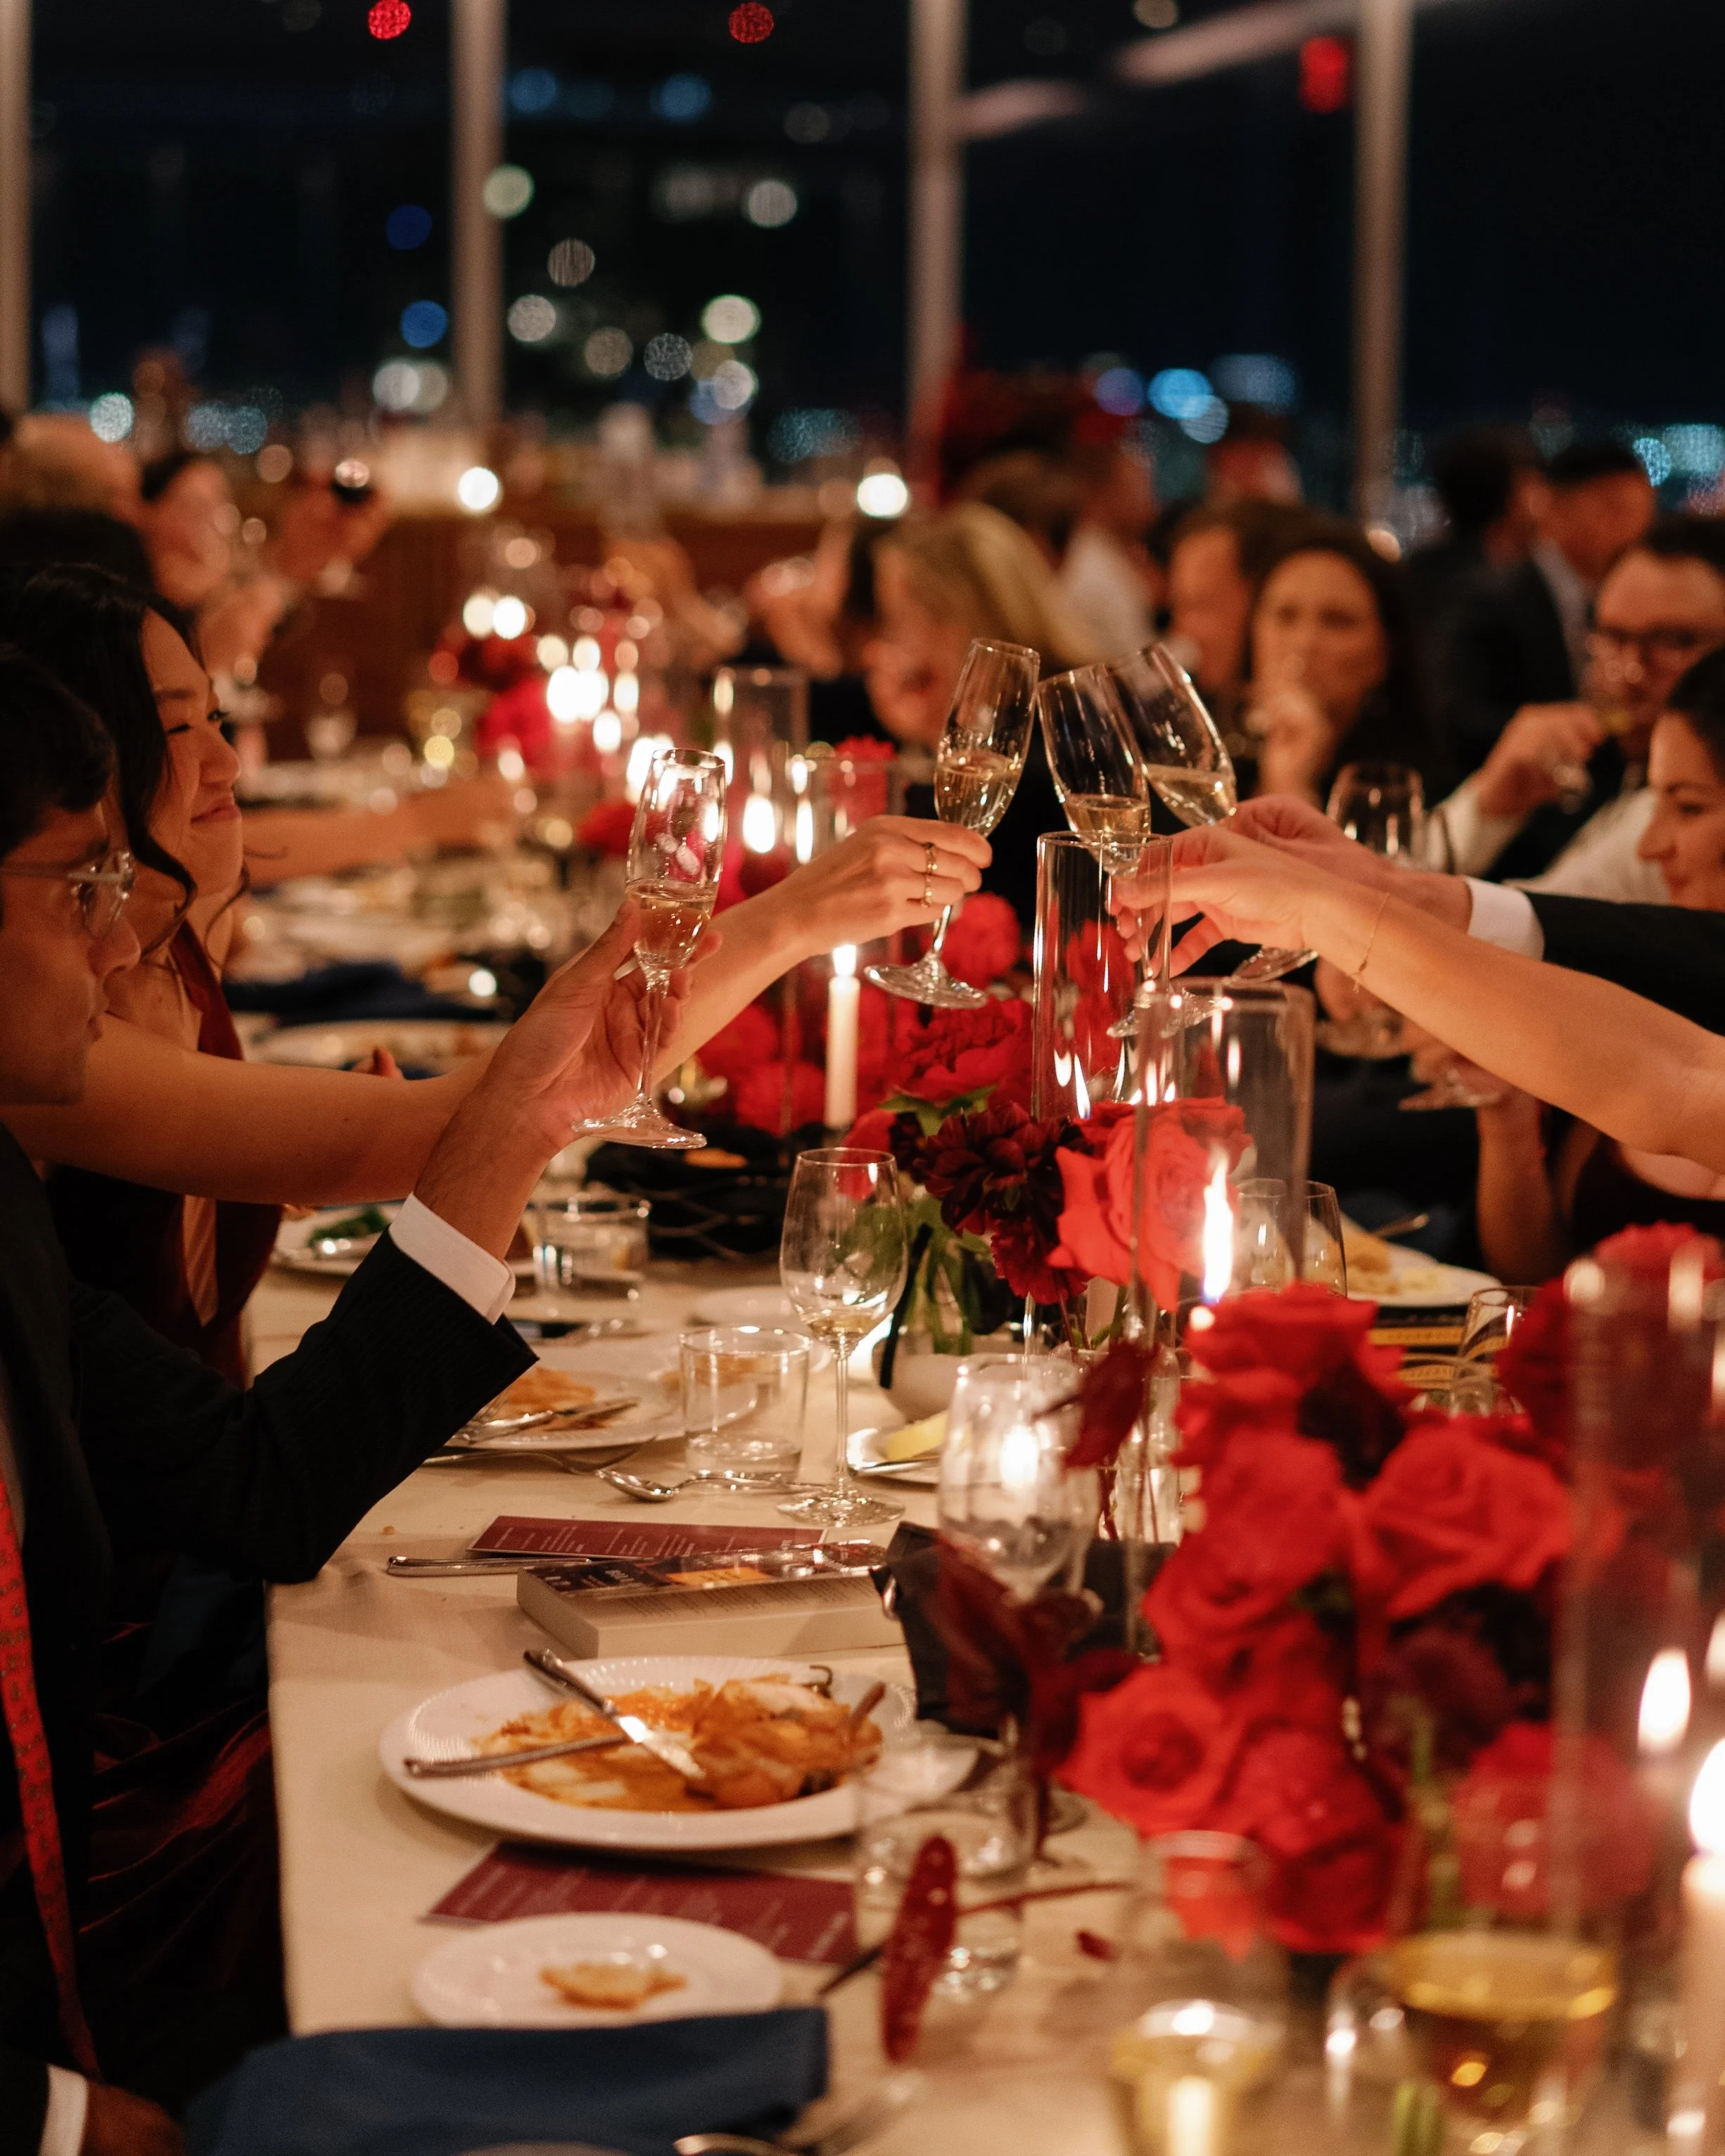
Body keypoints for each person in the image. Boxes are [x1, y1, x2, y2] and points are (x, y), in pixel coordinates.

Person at [0, 649, 693, 2152]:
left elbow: (269, 1485)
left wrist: (524, 1112)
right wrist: (54, 2117)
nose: (123, 927)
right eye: (78, 884)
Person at [1463, 648, 1725, 1279]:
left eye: (1688, 807)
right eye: (1653, 802)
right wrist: (1506, 1123)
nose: (1649, 845)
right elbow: (1544, 1280)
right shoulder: (1642, 981)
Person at [1427, 516, 1725, 893]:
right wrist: (1491, 803)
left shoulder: (1684, 814)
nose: (1630, 672)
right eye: (1614, 637)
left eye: (1671, 641)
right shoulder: (1590, 770)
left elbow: (1537, 925)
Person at [862, 500, 1102, 925]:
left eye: (899, 619)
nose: (887, 642)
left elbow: (964, 883)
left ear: (954, 619)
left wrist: (933, 741)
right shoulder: (994, 719)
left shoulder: (1062, 728)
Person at [1441, 439, 1656, 777]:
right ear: (1555, 510)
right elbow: (1459, 720)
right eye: (1614, 509)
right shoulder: (1492, 599)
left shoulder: (1629, 602)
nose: (1634, 529)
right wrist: (1569, 726)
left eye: (1644, 512)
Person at [1241, 518, 1448, 807]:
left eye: (1337, 621)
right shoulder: (1210, 759)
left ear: (1384, 655)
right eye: (1285, 615)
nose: (1305, 642)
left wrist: (1292, 782)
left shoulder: (1403, 785)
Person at [1163, 500, 1313, 760]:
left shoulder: (1320, 737)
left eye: (1200, 606)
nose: (1182, 630)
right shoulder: (1201, 711)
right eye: (1180, 607)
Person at [1402, 427, 1543, 642]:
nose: (1545, 500)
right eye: (1534, 486)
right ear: (1511, 498)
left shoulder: (1418, 571)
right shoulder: (1506, 594)